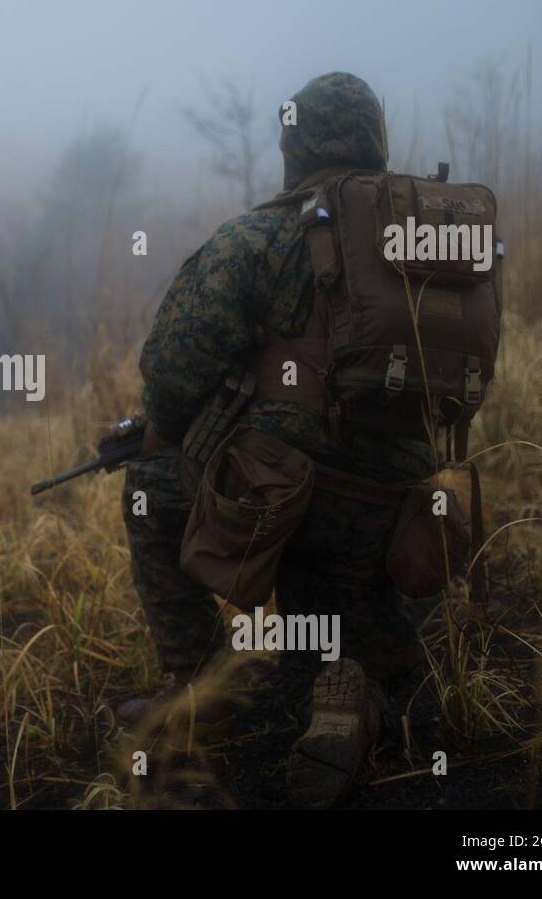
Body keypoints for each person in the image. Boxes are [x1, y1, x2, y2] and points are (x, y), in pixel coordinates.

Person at [116, 72, 438, 807]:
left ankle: (200, 691)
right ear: (375, 143)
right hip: (405, 511)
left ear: (294, 148)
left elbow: (169, 371)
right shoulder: (428, 241)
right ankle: (351, 704)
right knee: (348, 658)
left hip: (283, 502)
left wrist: (175, 431)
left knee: (150, 489)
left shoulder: (256, 238)